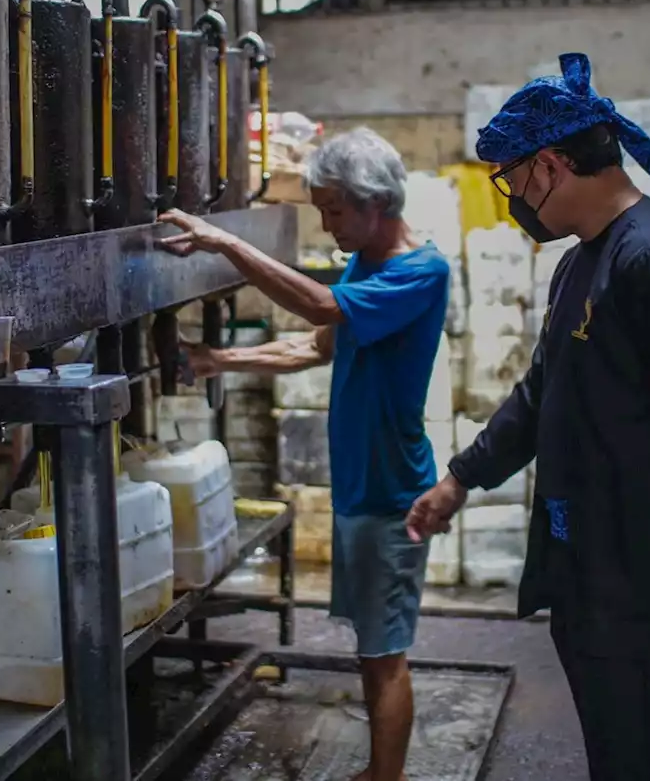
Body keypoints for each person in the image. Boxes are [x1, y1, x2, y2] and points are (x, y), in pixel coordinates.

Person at [405, 52, 650, 781]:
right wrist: (462, 478)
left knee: (642, 758)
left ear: (550, 165)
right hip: (592, 572)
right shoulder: (581, 260)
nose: (510, 199)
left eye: (508, 179)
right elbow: (544, 391)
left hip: (648, 580)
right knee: (614, 752)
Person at [158, 127, 450, 781]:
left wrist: (227, 241)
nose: (327, 224)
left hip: (390, 494)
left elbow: (318, 305)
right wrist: (214, 360)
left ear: (375, 202)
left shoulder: (419, 271)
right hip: (359, 488)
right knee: (372, 652)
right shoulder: (369, 264)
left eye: (333, 210)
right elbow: (316, 345)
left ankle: (386, 779)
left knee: (385, 656)